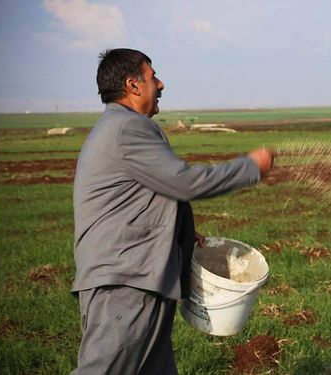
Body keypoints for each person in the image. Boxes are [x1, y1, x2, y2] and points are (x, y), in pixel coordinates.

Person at [70, 48, 273, 374]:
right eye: (153, 77)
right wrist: (249, 168)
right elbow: (183, 182)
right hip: (126, 283)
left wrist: (178, 231)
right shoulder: (128, 129)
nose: (161, 84)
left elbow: (140, 195)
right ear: (133, 85)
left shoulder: (118, 128)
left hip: (139, 280)